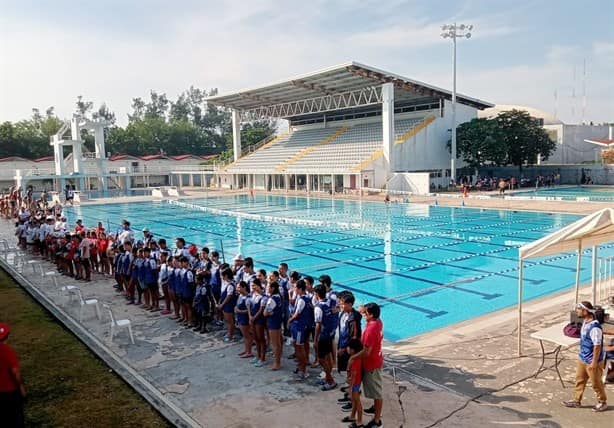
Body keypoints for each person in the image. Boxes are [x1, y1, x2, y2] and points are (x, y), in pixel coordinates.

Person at [562, 301, 607, 412]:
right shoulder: (585, 322)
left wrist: (594, 362)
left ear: (585, 311)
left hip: (592, 361)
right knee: (579, 380)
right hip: (583, 358)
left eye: (579, 308)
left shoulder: (594, 327)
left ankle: (602, 402)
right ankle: (576, 400)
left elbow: (597, 346)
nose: (577, 310)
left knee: (596, 383)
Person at [350, 303, 384, 428]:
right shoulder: (377, 322)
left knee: (377, 393)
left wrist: (353, 357)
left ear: (371, 314)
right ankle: (375, 408)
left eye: (365, 313)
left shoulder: (370, 330)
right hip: (376, 360)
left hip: (372, 364)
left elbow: (367, 351)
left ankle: (377, 420)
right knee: (375, 391)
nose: (363, 315)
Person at [0, 324, 26, 428]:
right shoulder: (9, 353)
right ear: (8, 336)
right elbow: (15, 374)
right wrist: (22, 390)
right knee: (15, 418)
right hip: (10, 392)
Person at [342, 338, 364, 428]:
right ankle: (352, 416)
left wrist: (350, 389)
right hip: (355, 383)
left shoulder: (355, 361)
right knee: (354, 402)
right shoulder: (355, 359)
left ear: (353, 350)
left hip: (355, 384)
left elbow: (354, 376)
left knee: (357, 402)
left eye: (348, 347)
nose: (347, 349)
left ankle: (359, 421)